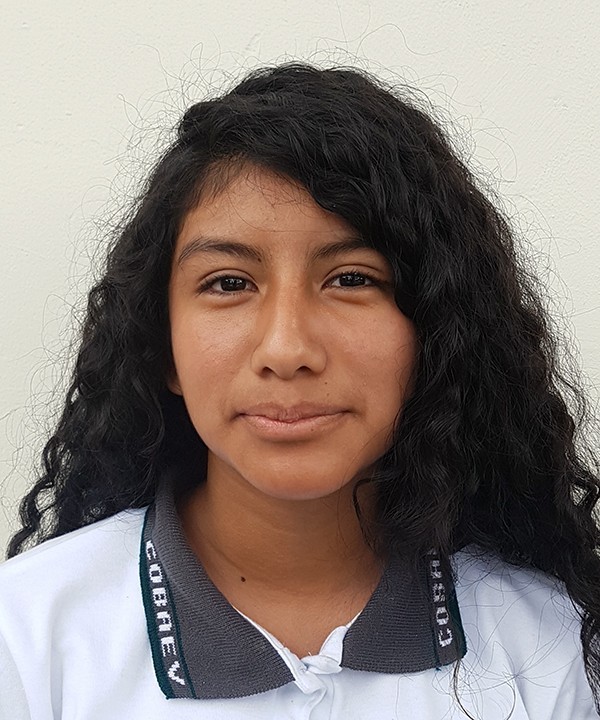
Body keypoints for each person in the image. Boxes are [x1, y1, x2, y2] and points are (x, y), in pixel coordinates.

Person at [0, 62, 599, 720]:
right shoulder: (24, 640)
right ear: (160, 345)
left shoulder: (547, 645)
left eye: (351, 279)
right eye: (229, 283)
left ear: (433, 336)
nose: (287, 350)